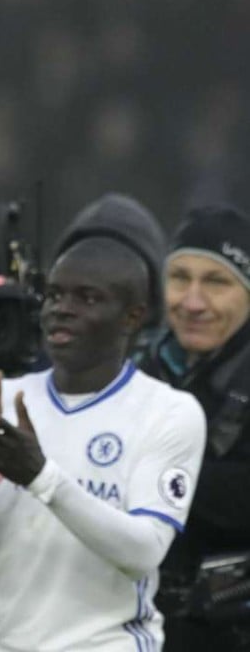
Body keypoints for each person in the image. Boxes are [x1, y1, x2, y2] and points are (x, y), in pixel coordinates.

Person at [0, 236, 207, 651]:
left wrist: (42, 477)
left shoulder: (169, 411)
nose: (62, 308)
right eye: (55, 295)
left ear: (132, 317)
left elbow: (145, 550)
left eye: (87, 298)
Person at [139, 204, 250, 650]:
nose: (193, 302)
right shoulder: (133, 368)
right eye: (180, 278)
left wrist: (147, 471)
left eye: (217, 282)